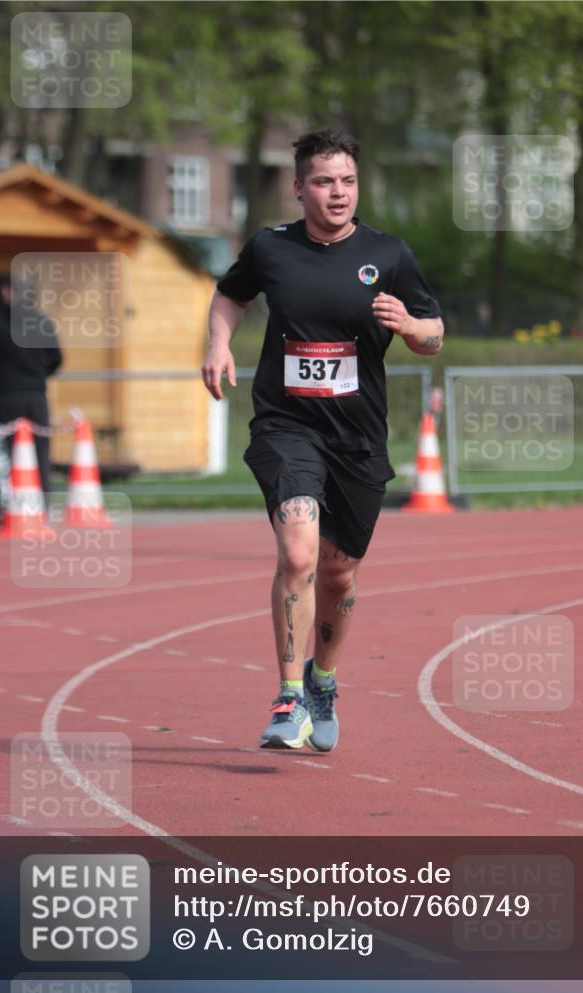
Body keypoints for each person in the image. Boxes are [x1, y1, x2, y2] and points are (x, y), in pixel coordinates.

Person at [202, 128, 443, 752]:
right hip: (287, 427)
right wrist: (218, 342)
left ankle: (323, 682)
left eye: (347, 182)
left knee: (339, 573)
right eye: (324, 181)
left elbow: (435, 333)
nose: (337, 193)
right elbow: (231, 293)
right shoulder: (271, 247)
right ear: (299, 187)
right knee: (300, 554)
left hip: (358, 437)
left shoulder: (387, 253)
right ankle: (287, 699)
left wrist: (412, 326)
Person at [0, 275, 63, 512]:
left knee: (8, 452)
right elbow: (57, 358)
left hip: (8, 395)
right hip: (36, 395)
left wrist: (1, 385)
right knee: (40, 450)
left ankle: (12, 506)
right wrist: (39, 376)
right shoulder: (42, 321)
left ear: (9, 291)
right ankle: (43, 506)